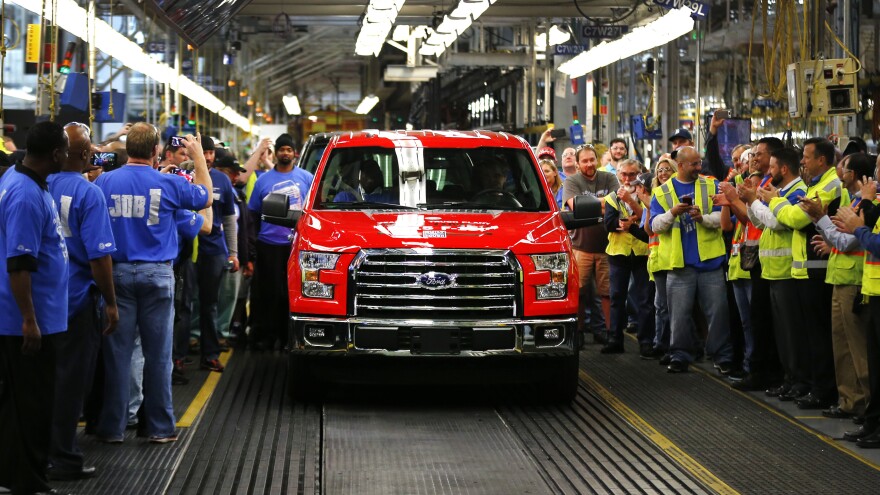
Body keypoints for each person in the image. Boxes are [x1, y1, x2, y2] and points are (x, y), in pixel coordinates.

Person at [94, 124, 212, 444]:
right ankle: (159, 428)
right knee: (158, 356)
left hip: (115, 275)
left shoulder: (105, 182)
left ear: (129, 148)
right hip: (158, 276)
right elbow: (205, 196)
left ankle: (112, 428)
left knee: (118, 356)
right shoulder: (168, 183)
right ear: (156, 151)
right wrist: (199, 157)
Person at [46, 122, 119, 481]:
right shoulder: (90, 195)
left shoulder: (35, 184)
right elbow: (99, 258)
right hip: (76, 302)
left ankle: (36, 450)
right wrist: (111, 302)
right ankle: (64, 456)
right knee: (72, 383)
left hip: (39, 301)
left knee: (40, 380)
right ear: (88, 154)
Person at [0, 121, 70, 495]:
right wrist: (29, 319)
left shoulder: (23, 178)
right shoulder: (25, 193)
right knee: (33, 405)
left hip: (36, 315)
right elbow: (19, 264)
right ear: (56, 154)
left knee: (19, 402)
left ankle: (12, 474)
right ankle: (29, 481)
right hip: (27, 320)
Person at [766, 139, 843, 409]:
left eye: (808, 158)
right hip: (805, 269)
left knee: (820, 336)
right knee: (809, 335)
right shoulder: (815, 184)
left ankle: (823, 389)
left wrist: (774, 202)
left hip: (818, 270)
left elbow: (797, 219)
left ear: (822, 160)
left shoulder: (830, 185)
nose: (803, 163)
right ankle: (813, 385)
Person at [802, 152, 873, 420]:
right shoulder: (852, 202)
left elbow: (848, 241)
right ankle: (849, 401)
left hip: (854, 281)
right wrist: (823, 226)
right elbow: (839, 238)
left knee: (859, 351)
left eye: (842, 168)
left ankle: (868, 406)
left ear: (852, 174)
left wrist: (819, 218)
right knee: (842, 348)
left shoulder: (865, 206)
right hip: (839, 278)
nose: (839, 171)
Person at [650, 146, 733, 373]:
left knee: (718, 313)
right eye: (695, 164)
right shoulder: (662, 192)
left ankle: (721, 355)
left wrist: (702, 218)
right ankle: (679, 355)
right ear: (682, 165)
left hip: (710, 263)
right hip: (679, 265)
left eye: (699, 163)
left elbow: (723, 216)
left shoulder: (711, 185)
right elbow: (654, 225)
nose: (699, 167)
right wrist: (673, 213)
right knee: (678, 316)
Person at [741, 148, 807, 395]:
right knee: (781, 334)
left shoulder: (797, 192)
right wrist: (751, 201)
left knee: (792, 334)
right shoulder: (781, 192)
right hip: (774, 271)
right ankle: (788, 380)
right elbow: (759, 221)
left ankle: (797, 381)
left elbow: (776, 222)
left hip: (789, 271)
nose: (768, 171)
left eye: (771, 167)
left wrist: (756, 200)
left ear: (783, 169)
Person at [247, 133, 314, 350]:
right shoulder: (263, 180)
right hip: (269, 246)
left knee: (292, 294)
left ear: (294, 153)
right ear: (276, 153)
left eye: (288, 149)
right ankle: (268, 336)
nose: (285, 153)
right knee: (268, 293)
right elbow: (253, 214)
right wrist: (252, 246)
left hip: (296, 246)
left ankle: (289, 338)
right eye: (281, 149)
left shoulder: (306, 178)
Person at [562, 145, 619, 345]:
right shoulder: (571, 181)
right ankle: (578, 333)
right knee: (579, 293)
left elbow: (617, 204)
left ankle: (607, 332)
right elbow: (575, 206)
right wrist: (605, 204)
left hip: (606, 247)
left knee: (606, 293)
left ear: (597, 160)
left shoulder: (609, 178)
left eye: (592, 160)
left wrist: (590, 204)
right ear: (577, 164)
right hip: (581, 247)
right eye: (584, 161)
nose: (589, 164)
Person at [193, 137, 238, 372]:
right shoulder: (185, 176)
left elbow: (230, 220)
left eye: (211, 152)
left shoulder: (222, 180)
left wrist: (234, 253)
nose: (208, 157)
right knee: (185, 305)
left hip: (214, 252)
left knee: (210, 304)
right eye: (204, 152)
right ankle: (179, 355)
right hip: (188, 251)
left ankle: (209, 354)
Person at [602, 159, 652, 355]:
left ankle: (646, 340)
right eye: (624, 174)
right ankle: (615, 338)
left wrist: (632, 209)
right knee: (616, 298)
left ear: (639, 174)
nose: (628, 179)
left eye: (632, 175)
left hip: (641, 252)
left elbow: (648, 218)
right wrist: (630, 222)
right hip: (619, 253)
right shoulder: (612, 197)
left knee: (644, 299)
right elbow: (608, 224)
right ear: (618, 175)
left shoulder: (646, 195)